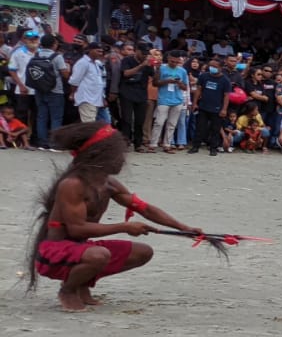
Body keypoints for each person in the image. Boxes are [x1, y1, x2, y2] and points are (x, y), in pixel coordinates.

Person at [25, 123, 200, 312]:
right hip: (54, 254)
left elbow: (146, 210)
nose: (122, 160)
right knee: (99, 255)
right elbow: (77, 229)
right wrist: (124, 227)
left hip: (82, 249)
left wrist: (183, 228)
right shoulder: (72, 184)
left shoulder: (109, 184)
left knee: (143, 252)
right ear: (100, 154)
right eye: (117, 154)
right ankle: (68, 290)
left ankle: (82, 281)